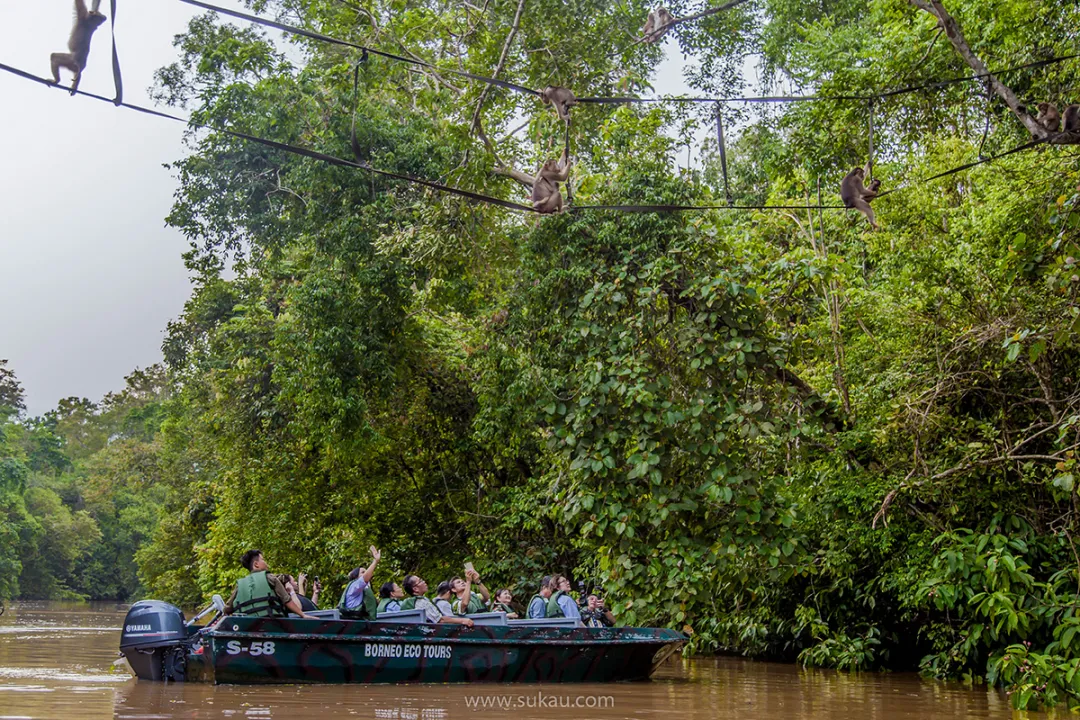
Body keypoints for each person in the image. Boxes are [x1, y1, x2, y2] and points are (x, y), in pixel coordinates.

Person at [224, 549, 315, 618]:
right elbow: (287, 600)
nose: (266, 563)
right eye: (263, 560)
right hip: (272, 622)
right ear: (256, 564)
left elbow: (227, 608)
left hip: (249, 626)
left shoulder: (239, 585)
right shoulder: (270, 578)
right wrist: (303, 615)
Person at [400, 574, 474, 627]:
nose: (424, 582)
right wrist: (463, 621)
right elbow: (440, 620)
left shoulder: (416, 601)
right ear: (415, 589)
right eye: (420, 581)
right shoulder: (421, 602)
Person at [337, 546, 381, 620]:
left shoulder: (366, 590)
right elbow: (365, 579)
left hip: (365, 624)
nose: (366, 573)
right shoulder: (354, 585)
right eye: (363, 572)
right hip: (353, 624)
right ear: (355, 576)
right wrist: (375, 561)